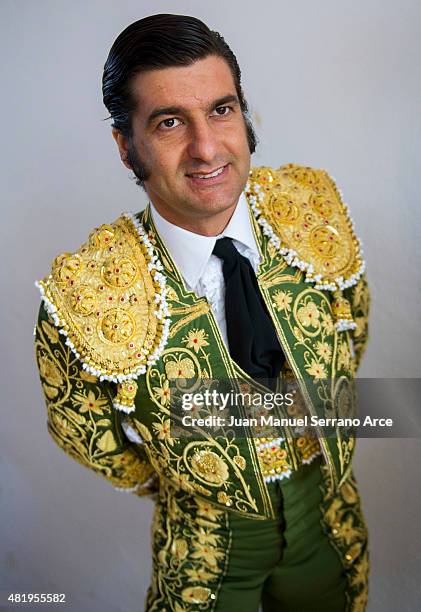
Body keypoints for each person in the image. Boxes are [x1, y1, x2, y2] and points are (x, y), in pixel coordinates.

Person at [34, 13, 371, 611]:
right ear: (126, 145)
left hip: (329, 512)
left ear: (243, 111)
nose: (207, 148)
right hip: (208, 542)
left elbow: (352, 329)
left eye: (221, 110)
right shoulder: (86, 290)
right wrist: (189, 472)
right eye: (169, 122)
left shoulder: (311, 207)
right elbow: (92, 440)